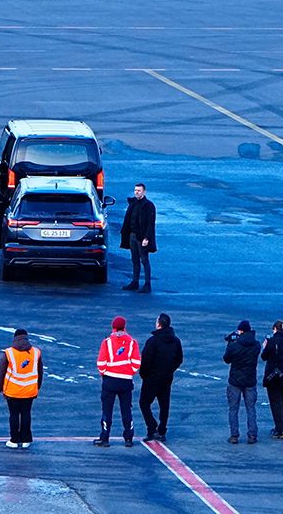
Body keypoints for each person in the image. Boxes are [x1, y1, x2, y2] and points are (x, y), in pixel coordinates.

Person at [94, 316, 141, 447]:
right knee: (126, 410)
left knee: (106, 411)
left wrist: (105, 373)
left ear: (113, 327)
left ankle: (105, 438)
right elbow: (136, 363)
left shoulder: (107, 342)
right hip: (126, 382)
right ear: (125, 327)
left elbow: (101, 363)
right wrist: (128, 372)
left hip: (110, 381)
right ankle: (128, 438)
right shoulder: (132, 343)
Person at [139, 313, 183, 442]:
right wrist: (170, 370)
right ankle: (162, 430)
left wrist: (145, 375)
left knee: (144, 403)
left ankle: (152, 428)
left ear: (159, 324)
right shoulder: (175, 341)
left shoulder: (153, 341)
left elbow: (146, 361)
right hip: (166, 377)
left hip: (152, 378)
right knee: (164, 405)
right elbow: (179, 359)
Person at [0, 328, 43, 449]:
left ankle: (14, 439)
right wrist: (37, 387)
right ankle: (26, 439)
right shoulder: (36, 352)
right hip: (30, 390)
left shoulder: (9, 353)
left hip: (12, 390)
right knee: (26, 414)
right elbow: (40, 372)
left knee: (14, 415)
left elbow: (1, 371)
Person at [223, 320, 260, 444]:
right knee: (251, 408)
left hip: (235, 381)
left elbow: (226, 359)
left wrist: (230, 343)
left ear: (241, 331)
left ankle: (234, 435)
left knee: (233, 409)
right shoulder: (256, 345)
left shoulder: (235, 345)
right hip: (250, 380)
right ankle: (252, 435)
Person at [261, 319, 283, 440]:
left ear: (275, 329)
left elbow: (264, 357)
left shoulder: (272, 341)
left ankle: (280, 429)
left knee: (275, 402)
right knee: (282, 401)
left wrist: (265, 346)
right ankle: (280, 427)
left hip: (273, 376)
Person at [119, 184, 156, 293]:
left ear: (144, 192)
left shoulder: (149, 205)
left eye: (139, 190)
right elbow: (129, 220)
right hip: (132, 235)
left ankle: (147, 284)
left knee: (144, 260)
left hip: (142, 237)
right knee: (134, 259)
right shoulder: (133, 204)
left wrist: (147, 238)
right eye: (135, 190)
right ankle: (135, 282)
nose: (137, 192)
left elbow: (150, 224)